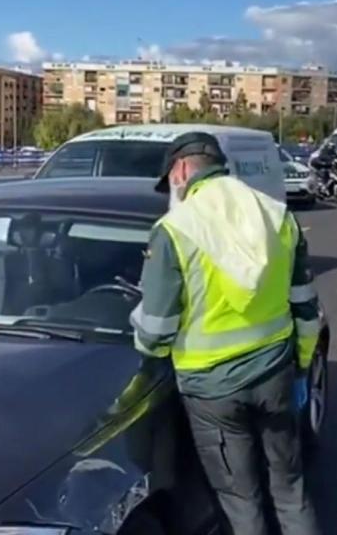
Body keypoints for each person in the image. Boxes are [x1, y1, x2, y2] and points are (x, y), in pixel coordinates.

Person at [131, 132, 322, 535]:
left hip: (212, 389)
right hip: (275, 375)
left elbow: (157, 330)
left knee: (241, 499)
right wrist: (301, 366)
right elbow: (305, 305)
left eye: (171, 182)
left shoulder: (175, 229)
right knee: (290, 488)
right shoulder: (276, 214)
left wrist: (142, 337)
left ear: (181, 170)